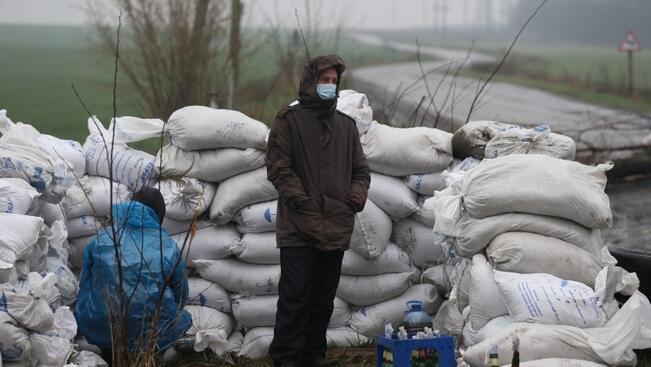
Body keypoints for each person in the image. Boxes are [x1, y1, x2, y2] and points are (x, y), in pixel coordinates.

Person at [266, 54, 371, 367]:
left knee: (323, 299)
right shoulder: (288, 121)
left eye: (333, 82)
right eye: (323, 81)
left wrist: (353, 199)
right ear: (310, 81)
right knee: (295, 296)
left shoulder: (346, 127)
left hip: (336, 225)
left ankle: (314, 355)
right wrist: (302, 201)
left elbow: (361, 171)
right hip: (299, 226)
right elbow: (278, 167)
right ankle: (286, 358)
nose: (329, 86)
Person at [74, 187, 192, 361]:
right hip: (149, 335)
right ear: (158, 214)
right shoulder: (166, 245)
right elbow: (181, 295)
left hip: (103, 328)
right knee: (182, 319)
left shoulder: (102, 238)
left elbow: (85, 285)